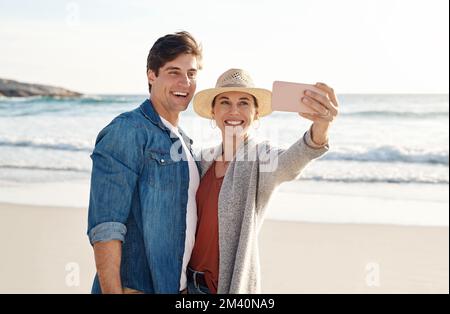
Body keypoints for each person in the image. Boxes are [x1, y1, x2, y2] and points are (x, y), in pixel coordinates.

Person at [187, 69, 339, 294]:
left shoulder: (261, 156)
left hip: (227, 287)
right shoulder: (201, 160)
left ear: (256, 113)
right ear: (213, 111)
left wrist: (321, 127)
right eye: (225, 102)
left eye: (244, 103)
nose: (234, 110)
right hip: (187, 285)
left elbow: (289, 163)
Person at [87, 31, 202, 294]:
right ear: (152, 75)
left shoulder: (185, 143)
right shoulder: (127, 130)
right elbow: (106, 226)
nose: (184, 82)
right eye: (174, 71)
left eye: (192, 73)